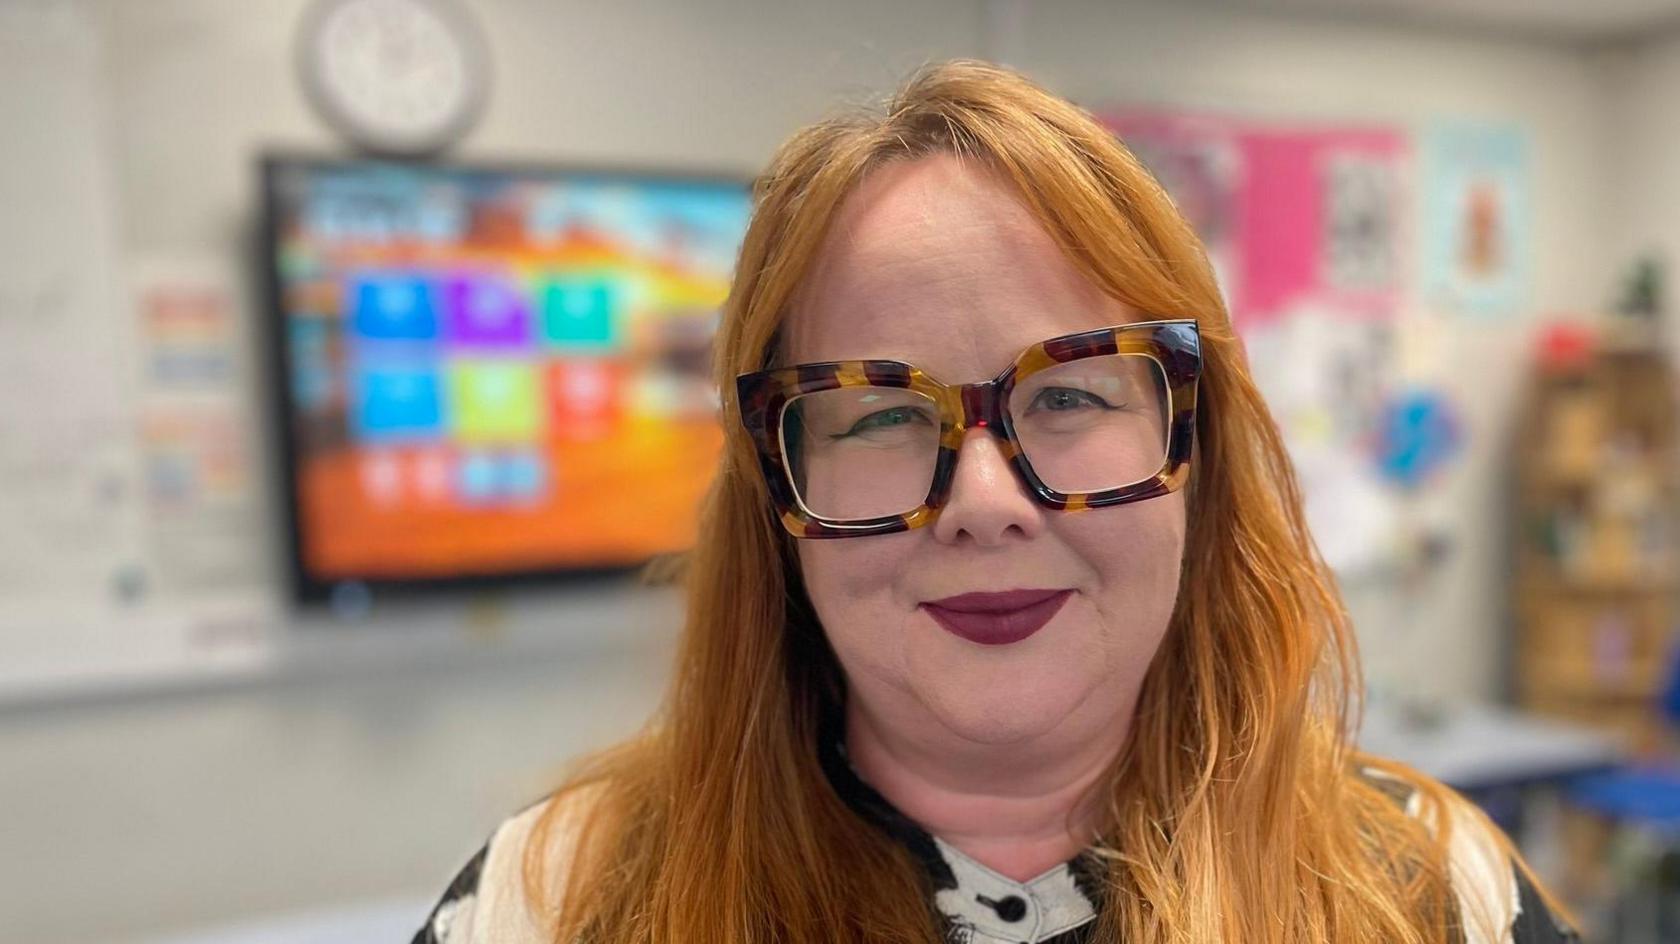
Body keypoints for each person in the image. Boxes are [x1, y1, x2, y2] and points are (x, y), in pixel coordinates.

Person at [412, 60, 1579, 944]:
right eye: (875, 412)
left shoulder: (1431, 887)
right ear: (775, 485)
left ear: (1197, 450)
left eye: (1070, 394)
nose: (985, 498)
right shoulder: (553, 898)